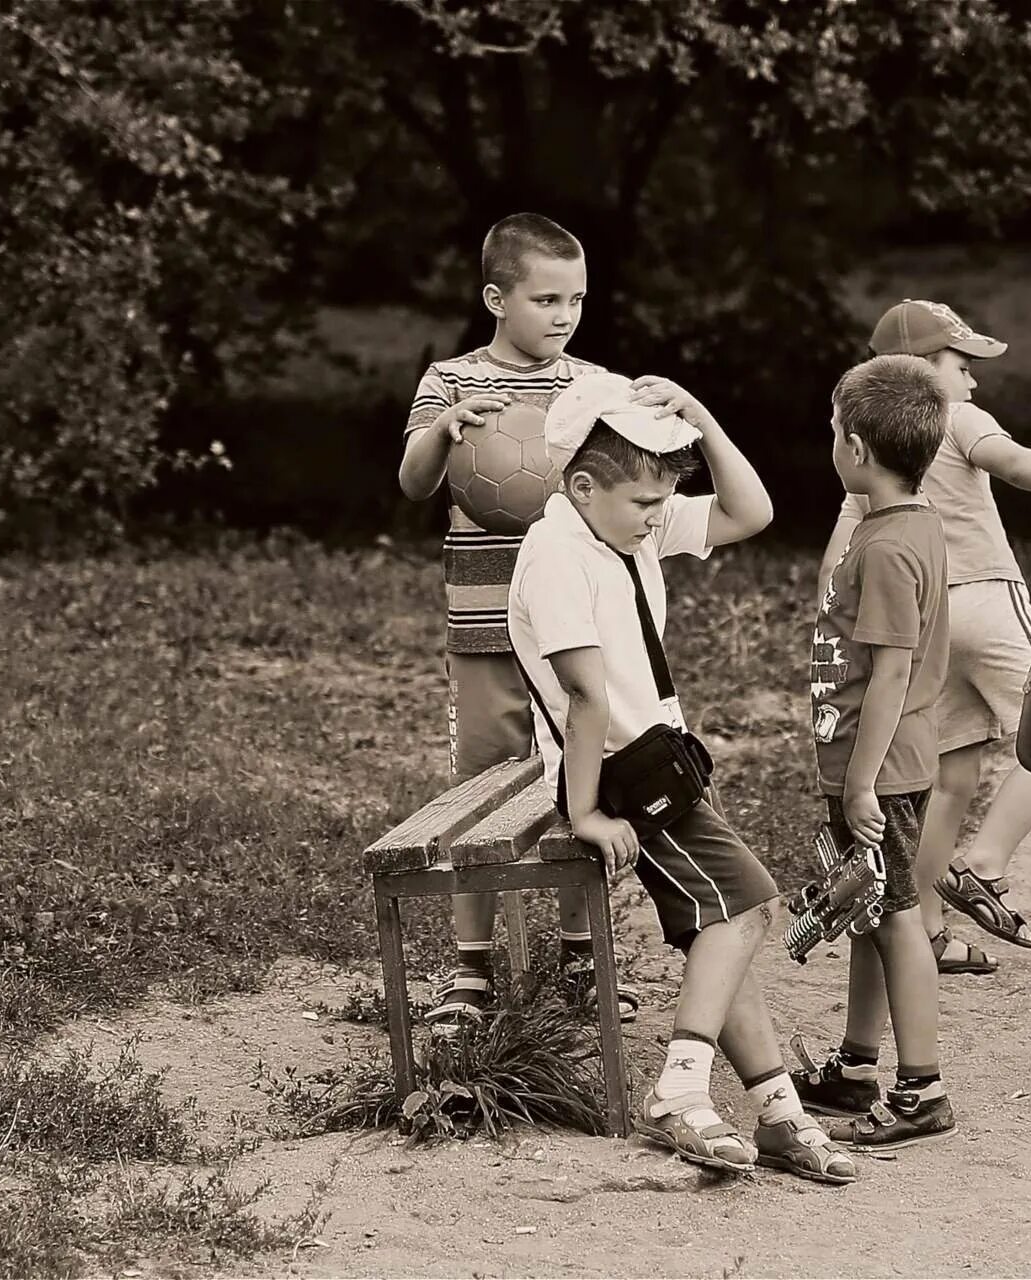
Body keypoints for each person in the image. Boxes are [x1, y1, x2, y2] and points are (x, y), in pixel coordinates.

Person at [506, 370, 853, 1185]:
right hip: (623, 777)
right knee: (750, 908)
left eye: (665, 502)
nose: (658, 518)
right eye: (645, 503)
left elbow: (750, 511)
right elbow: (586, 695)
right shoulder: (558, 551)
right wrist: (586, 812)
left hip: (660, 762)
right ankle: (680, 1092)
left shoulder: (619, 529)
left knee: (721, 930)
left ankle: (776, 1114)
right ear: (584, 486)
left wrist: (698, 414)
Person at [398, 213, 637, 1027]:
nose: (565, 315)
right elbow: (413, 482)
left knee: (578, 777)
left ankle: (580, 952)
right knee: (481, 787)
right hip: (484, 623)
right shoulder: (452, 381)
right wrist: (442, 434)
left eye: (576, 298)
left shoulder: (595, 387)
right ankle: (471, 967)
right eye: (546, 299)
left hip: (571, 628)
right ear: (497, 298)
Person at [819, 301, 1031, 973]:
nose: (972, 384)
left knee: (953, 774)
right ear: (922, 372)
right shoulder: (951, 415)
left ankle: (929, 925)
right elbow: (1016, 463)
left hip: (926, 622)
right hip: (989, 601)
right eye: (963, 367)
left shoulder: (868, 445)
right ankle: (985, 862)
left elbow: (838, 551)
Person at [792, 354, 959, 1150]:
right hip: (876, 766)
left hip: (880, 772)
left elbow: (891, 671)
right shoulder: (899, 525)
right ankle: (857, 1066)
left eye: (833, 430)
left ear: (856, 449)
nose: (829, 442)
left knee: (895, 922)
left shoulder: (891, 548)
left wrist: (859, 785)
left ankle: (921, 1087)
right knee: (867, 911)